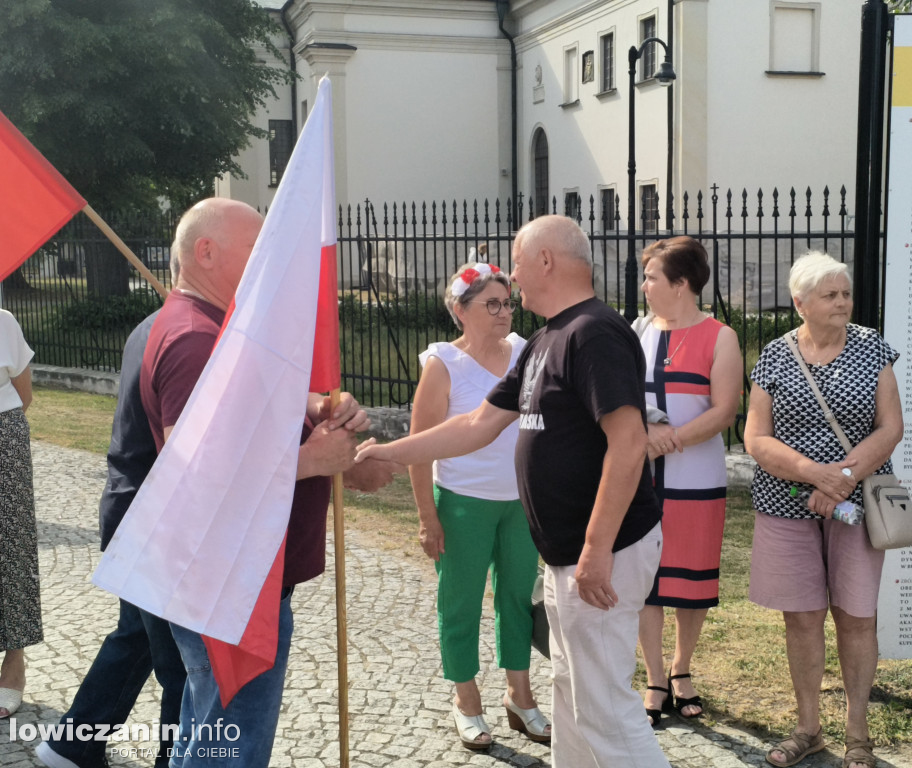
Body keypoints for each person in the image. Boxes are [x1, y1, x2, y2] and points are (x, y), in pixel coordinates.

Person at [356, 214, 672, 768]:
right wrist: (390, 450)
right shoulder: (544, 339)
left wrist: (596, 550)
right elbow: (477, 423)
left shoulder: (592, 332)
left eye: (518, 261)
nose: (514, 276)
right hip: (566, 554)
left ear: (546, 260)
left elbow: (628, 444)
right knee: (573, 697)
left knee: (606, 708)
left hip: (601, 553)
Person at [140, 198, 400, 768]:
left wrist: (313, 403)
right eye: (258, 250)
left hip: (234, 573)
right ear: (205, 252)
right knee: (229, 748)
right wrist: (311, 459)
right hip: (229, 581)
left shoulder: (218, 329)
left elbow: (244, 418)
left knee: (206, 735)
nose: (271, 265)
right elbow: (197, 468)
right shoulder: (195, 339)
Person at [744, 251, 903, 768]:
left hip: (857, 502)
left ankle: (858, 734)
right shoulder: (774, 355)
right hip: (785, 502)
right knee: (803, 617)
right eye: (830, 295)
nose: (842, 303)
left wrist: (843, 479)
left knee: (856, 616)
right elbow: (755, 437)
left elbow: (890, 427)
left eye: (846, 294)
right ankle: (808, 727)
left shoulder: (871, 349)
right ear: (801, 302)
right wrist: (815, 474)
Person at [37, 308, 187, 766]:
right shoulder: (181, 335)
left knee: (136, 638)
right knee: (181, 663)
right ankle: (173, 758)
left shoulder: (152, 326)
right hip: (152, 516)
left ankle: (72, 744)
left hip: (131, 506)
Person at [410, 262, 547, 750]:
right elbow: (420, 445)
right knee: (461, 602)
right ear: (459, 310)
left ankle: (520, 696)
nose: (504, 312)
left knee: (516, 601)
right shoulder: (442, 363)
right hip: (463, 503)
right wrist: (428, 516)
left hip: (520, 503)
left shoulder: (527, 352)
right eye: (491, 303)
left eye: (507, 302)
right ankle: (466, 699)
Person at [634, 237, 742, 724]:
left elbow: (724, 410)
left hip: (696, 480)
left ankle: (682, 669)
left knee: (689, 580)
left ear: (681, 285)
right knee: (647, 582)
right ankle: (655, 676)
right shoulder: (637, 331)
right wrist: (647, 435)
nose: (645, 285)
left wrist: (669, 439)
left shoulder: (720, 337)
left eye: (653, 277)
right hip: (639, 480)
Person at [0, 308, 41, 720]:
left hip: (2, 438)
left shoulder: (3, 321)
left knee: (11, 548)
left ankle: (13, 661)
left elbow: (24, 394)